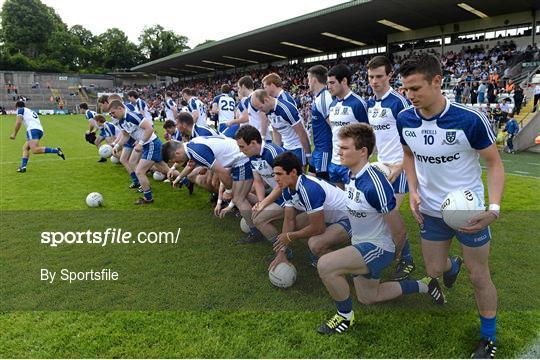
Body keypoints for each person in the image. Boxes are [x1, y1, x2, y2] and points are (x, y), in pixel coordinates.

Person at [397, 54, 504, 358]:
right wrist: (414, 190)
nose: (410, 96)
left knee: (479, 275)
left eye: (416, 88)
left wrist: (493, 208)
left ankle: (488, 337)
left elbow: (494, 164)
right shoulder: (405, 118)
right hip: (430, 210)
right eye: (405, 89)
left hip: (468, 211)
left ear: (437, 81)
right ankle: (451, 265)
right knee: (433, 269)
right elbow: (408, 156)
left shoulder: (469, 119)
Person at [316, 123, 444, 335]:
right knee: (368, 297)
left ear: (362, 151)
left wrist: (397, 254)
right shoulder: (352, 175)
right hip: (362, 244)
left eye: (345, 148)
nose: (339, 151)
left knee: (326, 265)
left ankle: (344, 318)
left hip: (378, 247)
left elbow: (400, 229)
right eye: (340, 147)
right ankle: (425, 285)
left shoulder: (374, 184)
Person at [366, 55, 415, 280]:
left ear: (389, 76)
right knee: (379, 215)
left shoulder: (399, 102)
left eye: (379, 76)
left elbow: (413, 141)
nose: (374, 81)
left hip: (401, 168)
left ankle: (407, 260)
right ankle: (384, 253)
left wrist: (400, 167)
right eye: (371, 77)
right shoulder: (370, 104)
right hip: (382, 166)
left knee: (390, 216)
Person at [163, 135, 264, 244]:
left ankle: (256, 232)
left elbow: (222, 172)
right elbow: (190, 165)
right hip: (238, 157)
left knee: (238, 198)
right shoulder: (191, 146)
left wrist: (229, 191)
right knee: (242, 195)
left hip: (241, 159)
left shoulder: (197, 151)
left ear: (178, 153)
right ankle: (264, 212)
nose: (176, 162)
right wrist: (178, 178)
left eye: (174, 160)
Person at [270, 151, 351, 270]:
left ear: (293, 172)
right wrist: (282, 252)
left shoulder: (308, 189)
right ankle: (319, 254)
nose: (276, 178)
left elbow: (318, 228)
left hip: (351, 219)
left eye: (279, 174)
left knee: (315, 244)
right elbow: (289, 219)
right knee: (296, 223)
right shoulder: (287, 188)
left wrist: (290, 236)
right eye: (274, 174)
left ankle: (350, 267)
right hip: (330, 216)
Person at [108, 100, 170, 205]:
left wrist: (140, 143)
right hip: (149, 145)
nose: (112, 115)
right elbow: (126, 136)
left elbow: (149, 128)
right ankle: (185, 180)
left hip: (151, 144)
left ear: (120, 108)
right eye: (111, 114)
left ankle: (148, 198)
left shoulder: (132, 116)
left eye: (113, 113)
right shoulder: (121, 121)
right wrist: (117, 146)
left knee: (140, 171)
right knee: (166, 170)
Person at [235, 125, 286, 244]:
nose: (240, 150)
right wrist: (260, 201)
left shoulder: (272, 153)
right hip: (278, 193)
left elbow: (282, 184)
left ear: (253, 143)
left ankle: (282, 249)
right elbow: (258, 181)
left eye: (242, 146)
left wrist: (264, 204)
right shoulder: (252, 157)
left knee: (258, 219)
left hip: (290, 194)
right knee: (244, 198)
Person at [327, 63, 369, 188]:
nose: (329, 87)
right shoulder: (332, 105)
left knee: (355, 203)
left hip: (352, 163)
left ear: (344, 81)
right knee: (338, 204)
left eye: (332, 83)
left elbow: (368, 134)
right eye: (328, 83)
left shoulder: (357, 104)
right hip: (335, 161)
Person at [251, 89, 311, 166]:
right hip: (286, 146)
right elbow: (276, 131)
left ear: (266, 100)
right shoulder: (268, 111)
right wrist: (278, 151)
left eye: (260, 107)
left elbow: (301, 132)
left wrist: (308, 155)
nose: (260, 111)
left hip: (298, 146)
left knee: (297, 175)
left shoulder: (286, 109)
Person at [10, 101, 65, 172]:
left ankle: (57, 150)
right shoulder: (31, 111)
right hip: (39, 130)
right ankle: (23, 167)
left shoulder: (20, 110)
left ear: (17, 107)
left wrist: (14, 133)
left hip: (32, 130)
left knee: (35, 150)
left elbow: (18, 122)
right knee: (25, 148)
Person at [306, 65, 333, 180]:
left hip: (325, 151)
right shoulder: (319, 97)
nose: (307, 82)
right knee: (311, 183)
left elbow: (334, 127)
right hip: (318, 149)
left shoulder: (325, 98)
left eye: (308, 79)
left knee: (323, 186)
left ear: (313, 79)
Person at [230, 75, 271, 142]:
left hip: (261, 138)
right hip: (256, 137)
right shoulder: (248, 100)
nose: (239, 91)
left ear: (243, 86)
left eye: (239, 88)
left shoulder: (254, 98)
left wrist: (262, 137)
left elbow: (264, 117)